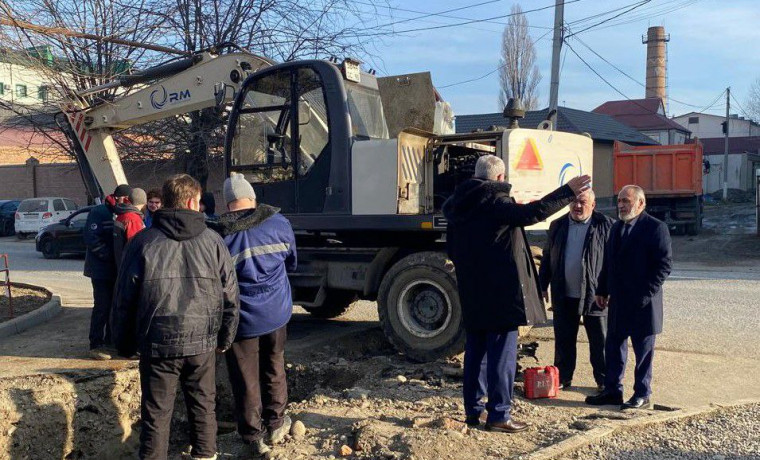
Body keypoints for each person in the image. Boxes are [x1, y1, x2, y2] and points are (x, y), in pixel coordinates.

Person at [442, 155, 591, 433]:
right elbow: (531, 214)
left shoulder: (459, 207)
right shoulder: (496, 201)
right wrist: (567, 191)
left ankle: (473, 413)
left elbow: (451, 251)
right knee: (502, 356)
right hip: (501, 295)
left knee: (476, 353)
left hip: (473, 293)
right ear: (500, 178)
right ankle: (499, 415)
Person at [111, 174, 240, 460]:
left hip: (158, 343)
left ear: (166, 202)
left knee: (156, 414)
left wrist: (124, 344)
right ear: (194, 201)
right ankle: (205, 455)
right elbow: (230, 294)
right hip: (202, 342)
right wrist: (225, 337)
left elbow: (124, 300)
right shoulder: (213, 241)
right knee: (204, 406)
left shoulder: (143, 242)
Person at [211, 172, 297, 457]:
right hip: (276, 313)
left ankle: (252, 436)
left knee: (245, 378)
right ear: (252, 196)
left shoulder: (220, 234)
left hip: (242, 320)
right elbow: (292, 261)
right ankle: (276, 423)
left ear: (227, 203)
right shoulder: (279, 223)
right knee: (274, 365)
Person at [586, 185, 672, 410]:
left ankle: (642, 394)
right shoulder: (616, 228)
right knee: (613, 347)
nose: (621, 205)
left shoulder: (655, 228)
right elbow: (608, 263)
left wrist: (644, 295)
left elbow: (663, 266)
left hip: (644, 303)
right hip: (618, 302)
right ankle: (612, 391)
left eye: (626, 201)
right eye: (620, 201)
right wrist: (602, 290)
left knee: (643, 352)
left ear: (641, 203)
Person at [539, 189, 614, 391]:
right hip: (564, 293)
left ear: (593, 204)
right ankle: (563, 378)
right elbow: (547, 256)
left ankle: (604, 381)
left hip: (596, 295)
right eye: (573, 201)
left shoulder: (606, 225)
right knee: (564, 339)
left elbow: (614, 262)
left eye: (582, 202)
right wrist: (542, 284)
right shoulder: (558, 225)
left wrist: (609, 290)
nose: (577, 206)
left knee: (600, 341)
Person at [84, 183, 131, 360]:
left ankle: (111, 341)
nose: (125, 201)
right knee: (102, 306)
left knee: (114, 306)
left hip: (116, 269)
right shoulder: (99, 212)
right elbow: (91, 238)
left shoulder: (123, 214)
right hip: (100, 270)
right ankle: (96, 343)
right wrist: (108, 256)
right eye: (123, 198)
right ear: (116, 196)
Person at [113, 187, 147, 270]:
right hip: (130, 267)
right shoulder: (133, 219)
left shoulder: (122, 215)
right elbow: (135, 245)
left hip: (122, 264)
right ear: (143, 201)